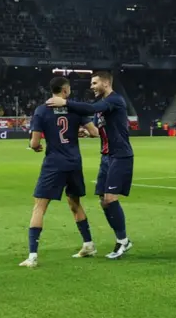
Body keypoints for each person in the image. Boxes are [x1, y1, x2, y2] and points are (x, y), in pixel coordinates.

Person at [46, 71, 135, 259]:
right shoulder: (103, 107)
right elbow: (99, 128)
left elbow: (90, 109)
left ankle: (123, 241)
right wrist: (86, 133)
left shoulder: (114, 100)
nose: (92, 86)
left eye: (95, 83)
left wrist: (66, 103)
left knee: (111, 199)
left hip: (120, 156)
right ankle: (123, 240)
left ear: (105, 83)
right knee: (103, 201)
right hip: (106, 157)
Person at [20, 77, 99, 268]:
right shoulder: (75, 108)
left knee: (39, 206)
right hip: (74, 162)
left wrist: (35, 147)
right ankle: (88, 244)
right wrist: (82, 132)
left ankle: (32, 256)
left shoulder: (41, 110)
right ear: (65, 90)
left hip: (54, 163)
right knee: (74, 202)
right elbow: (95, 132)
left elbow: (35, 142)